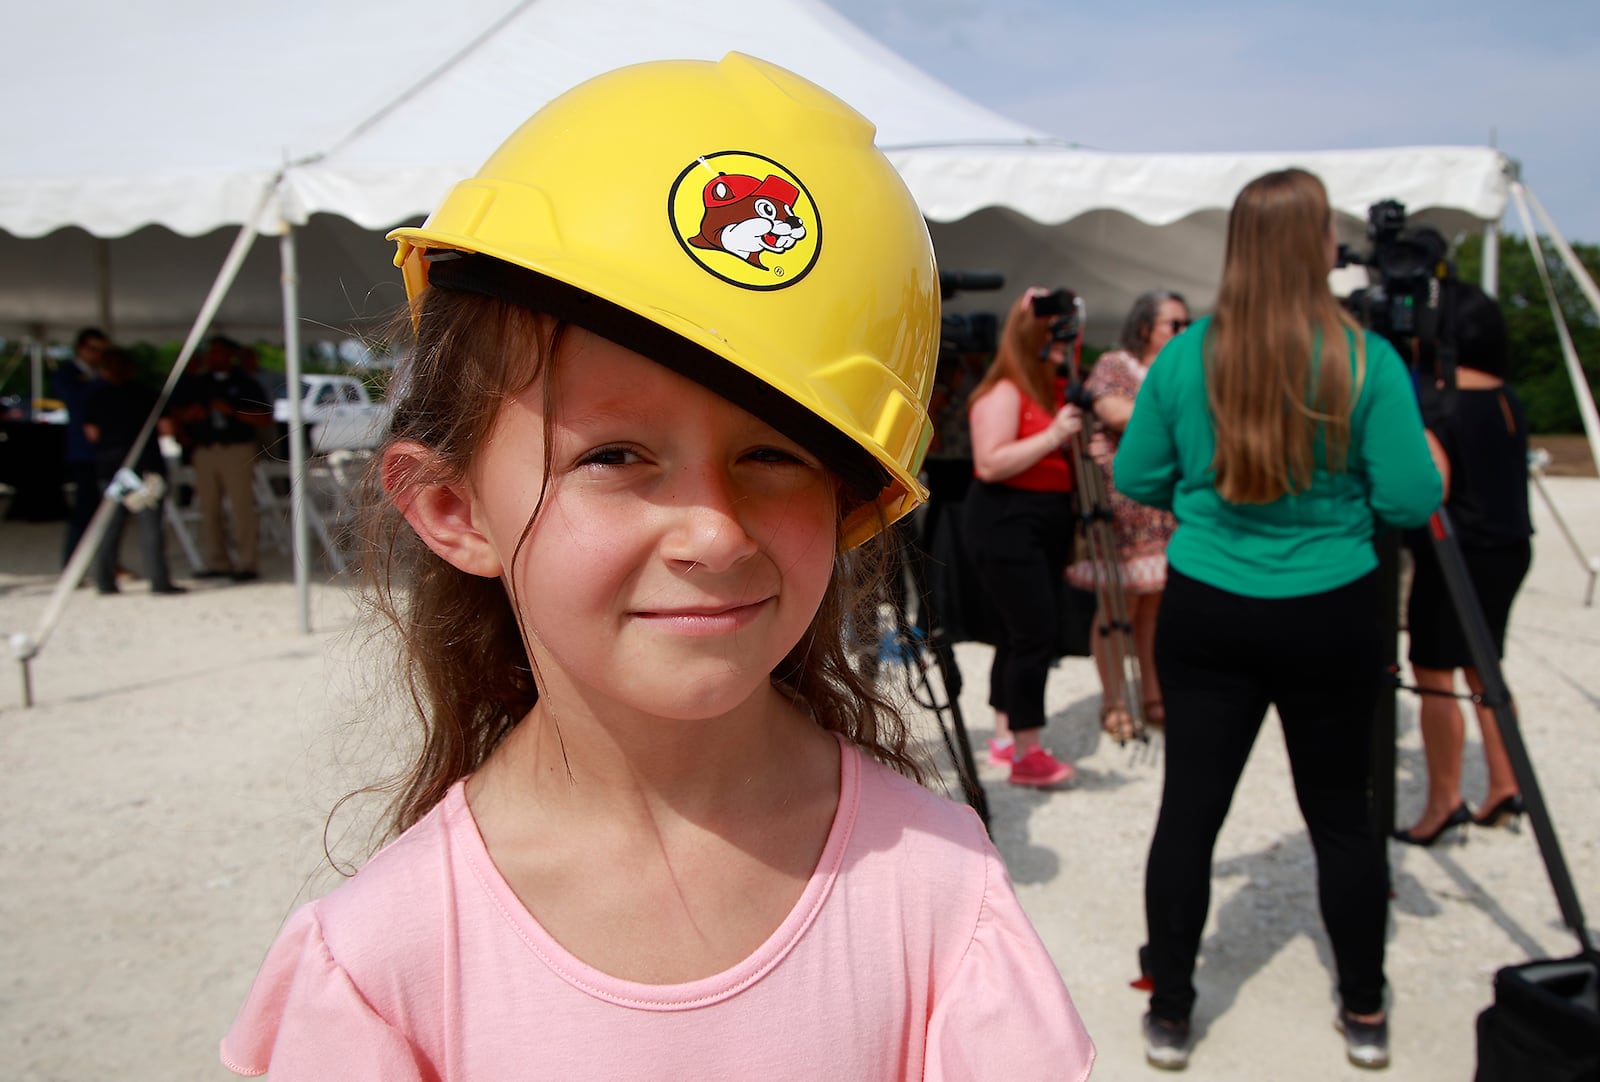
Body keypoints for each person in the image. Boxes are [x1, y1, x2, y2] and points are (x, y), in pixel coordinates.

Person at [219, 54, 1094, 1081]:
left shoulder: (944, 896)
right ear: (454, 508)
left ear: (849, 498)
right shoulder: (381, 967)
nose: (715, 534)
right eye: (615, 454)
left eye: (775, 452)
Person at [1114, 167, 1442, 1071]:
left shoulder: (1185, 357)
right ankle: (1365, 1008)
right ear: (1318, 249)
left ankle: (1171, 1009)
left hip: (1211, 605)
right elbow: (1412, 500)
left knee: (1190, 814)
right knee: (1343, 817)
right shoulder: (1365, 358)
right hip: (1332, 607)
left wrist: (1206, 485)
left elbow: (1136, 478)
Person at [1394, 281, 1533, 846]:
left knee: (1434, 678)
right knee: (1485, 670)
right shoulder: (1504, 394)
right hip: (1508, 545)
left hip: (1457, 555)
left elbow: (1429, 491)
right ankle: (1505, 783)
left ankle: (1442, 801)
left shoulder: (1441, 403)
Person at [963, 287, 1084, 787]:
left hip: (1042, 518)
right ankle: (1028, 752)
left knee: (1018, 632)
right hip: (1009, 519)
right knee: (1033, 633)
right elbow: (990, 462)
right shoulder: (1005, 391)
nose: (1062, 348)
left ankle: (1006, 737)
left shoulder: (1046, 389)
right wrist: (1057, 434)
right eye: (1054, 338)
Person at [1068, 290, 1189, 738]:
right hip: (1121, 511)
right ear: (1145, 328)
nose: (1182, 332)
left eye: (1185, 325)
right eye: (1173, 325)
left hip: (1164, 511)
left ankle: (1152, 693)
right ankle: (1115, 700)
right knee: (1119, 606)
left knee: (1154, 608)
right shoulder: (1116, 365)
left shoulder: (1177, 369)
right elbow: (1115, 412)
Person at [82, 347, 185, 596]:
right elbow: (167, 428)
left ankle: (105, 581)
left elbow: (92, 434)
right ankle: (159, 581)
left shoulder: (96, 397)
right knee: (151, 528)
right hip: (147, 469)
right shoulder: (148, 395)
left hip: (113, 469)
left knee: (111, 527)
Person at [171, 336, 271, 582]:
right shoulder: (197, 384)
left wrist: (234, 412)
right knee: (208, 507)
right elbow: (175, 414)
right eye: (211, 352)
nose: (213, 358)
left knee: (241, 506)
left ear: (230, 355)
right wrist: (188, 420)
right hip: (205, 449)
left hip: (236, 449)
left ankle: (247, 563)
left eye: (219, 353)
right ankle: (218, 561)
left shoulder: (245, 383)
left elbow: (265, 417)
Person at [52, 327, 107, 567]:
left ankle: (103, 561)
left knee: (103, 510)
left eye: (101, 351)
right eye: (93, 349)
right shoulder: (67, 374)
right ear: (80, 348)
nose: (97, 355)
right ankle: (72, 562)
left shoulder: (98, 374)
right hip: (83, 451)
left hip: (105, 449)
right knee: (84, 508)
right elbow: (76, 403)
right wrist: (97, 382)